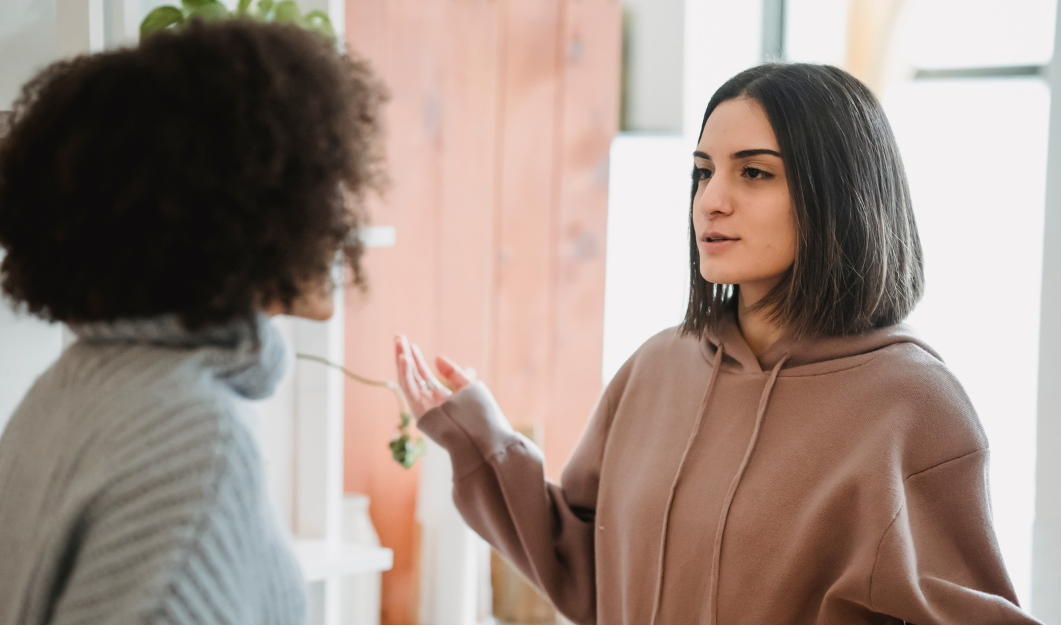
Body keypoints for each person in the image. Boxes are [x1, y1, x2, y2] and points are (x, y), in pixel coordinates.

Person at [395, 63, 1038, 624]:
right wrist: (480, 434)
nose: (711, 202)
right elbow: (584, 569)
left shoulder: (912, 405)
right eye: (703, 173)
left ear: (838, 196)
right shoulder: (656, 368)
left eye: (754, 173)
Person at [0, 19, 385, 624]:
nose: (337, 214)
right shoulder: (198, 439)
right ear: (244, 207)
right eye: (319, 181)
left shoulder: (64, 390)